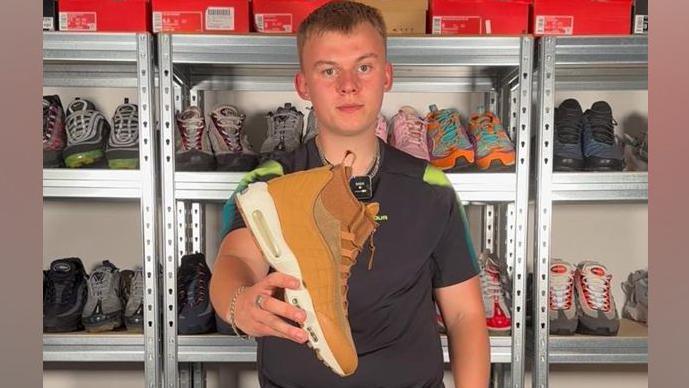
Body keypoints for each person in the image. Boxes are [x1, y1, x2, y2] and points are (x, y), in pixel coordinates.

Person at [209, 1, 490, 387]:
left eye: (364, 66)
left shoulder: (430, 186)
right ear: (303, 85)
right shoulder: (271, 183)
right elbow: (235, 261)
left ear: (386, 76)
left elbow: (464, 316)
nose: (348, 85)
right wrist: (240, 304)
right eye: (328, 70)